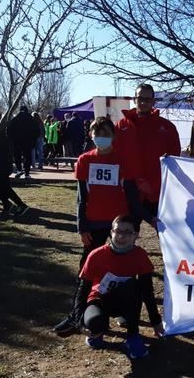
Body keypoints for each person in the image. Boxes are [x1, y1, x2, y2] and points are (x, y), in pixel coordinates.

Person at [53, 117, 148, 336]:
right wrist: (82, 227)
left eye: (106, 133)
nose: (101, 138)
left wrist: (137, 222)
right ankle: (77, 314)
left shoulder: (122, 161)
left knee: (125, 266)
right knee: (86, 269)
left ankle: (126, 309)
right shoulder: (85, 160)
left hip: (118, 224)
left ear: (114, 136)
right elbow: (81, 198)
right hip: (93, 222)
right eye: (97, 133)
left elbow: (133, 196)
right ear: (91, 135)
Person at [72, 214, 163, 359]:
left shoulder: (140, 255)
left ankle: (132, 338)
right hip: (99, 300)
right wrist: (79, 322)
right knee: (94, 322)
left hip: (125, 300)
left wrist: (156, 321)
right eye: (118, 231)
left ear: (135, 235)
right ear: (111, 232)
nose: (121, 237)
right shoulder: (96, 255)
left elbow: (147, 291)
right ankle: (96, 333)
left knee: (134, 286)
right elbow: (82, 290)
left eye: (127, 232)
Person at [113, 83, 181, 226]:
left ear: (153, 101)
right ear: (134, 99)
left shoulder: (167, 128)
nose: (143, 102)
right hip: (130, 191)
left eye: (148, 99)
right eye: (140, 98)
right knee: (126, 233)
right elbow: (115, 157)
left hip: (157, 191)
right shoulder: (121, 126)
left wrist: (154, 184)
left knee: (166, 232)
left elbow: (174, 160)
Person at [0, 111, 29, 216]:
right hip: (4, 164)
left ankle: (20, 205)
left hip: (0, 164)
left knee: (1, 187)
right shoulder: (4, 132)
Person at [8, 105, 40, 179]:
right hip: (28, 142)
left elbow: (9, 130)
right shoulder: (31, 119)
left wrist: (12, 139)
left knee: (17, 156)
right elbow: (37, 131)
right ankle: (27, 173)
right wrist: (33, 140)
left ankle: (19, 170)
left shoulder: (15, 119)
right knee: (27, 157)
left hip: (17, 141)